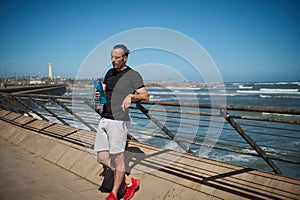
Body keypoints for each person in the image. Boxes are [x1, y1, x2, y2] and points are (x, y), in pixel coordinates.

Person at [94, 44, 149, 200]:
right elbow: (105, 90)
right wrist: (99, 94)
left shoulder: (133, 75)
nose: (113, 60)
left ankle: (114, 193)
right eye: (111, 57)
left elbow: (145, 95)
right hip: (104, 118)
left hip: (119, 121)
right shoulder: (109, 73)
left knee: (118, 159)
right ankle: (130, 182)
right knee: (102, 158)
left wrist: (131, 96)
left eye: (116, 57)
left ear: (125, 57)